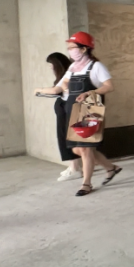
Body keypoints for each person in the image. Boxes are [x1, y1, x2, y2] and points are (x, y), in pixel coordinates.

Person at [36, 32, 122, 196]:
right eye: (69, 47)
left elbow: (109, 86)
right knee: (77, 149)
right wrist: (46, 89)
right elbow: (62, 85)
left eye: (72, 47)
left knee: (86, 149)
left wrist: (90, 93)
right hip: (73, 110)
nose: (69, 50)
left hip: (89, 110)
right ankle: (111, 168)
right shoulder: (73, 67)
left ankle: (86, 184)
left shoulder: (96, 66)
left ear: (83, 49)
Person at [42, 52, 84, 182]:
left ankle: (75, 168)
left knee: (67, 137)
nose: (50, 67)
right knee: (65, 136)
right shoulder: (66, 74)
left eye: (51, 64)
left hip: (69, 108)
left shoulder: (70, 73)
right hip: (64, 106)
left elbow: (56, 90)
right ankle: (74, 166)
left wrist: (39, 90)